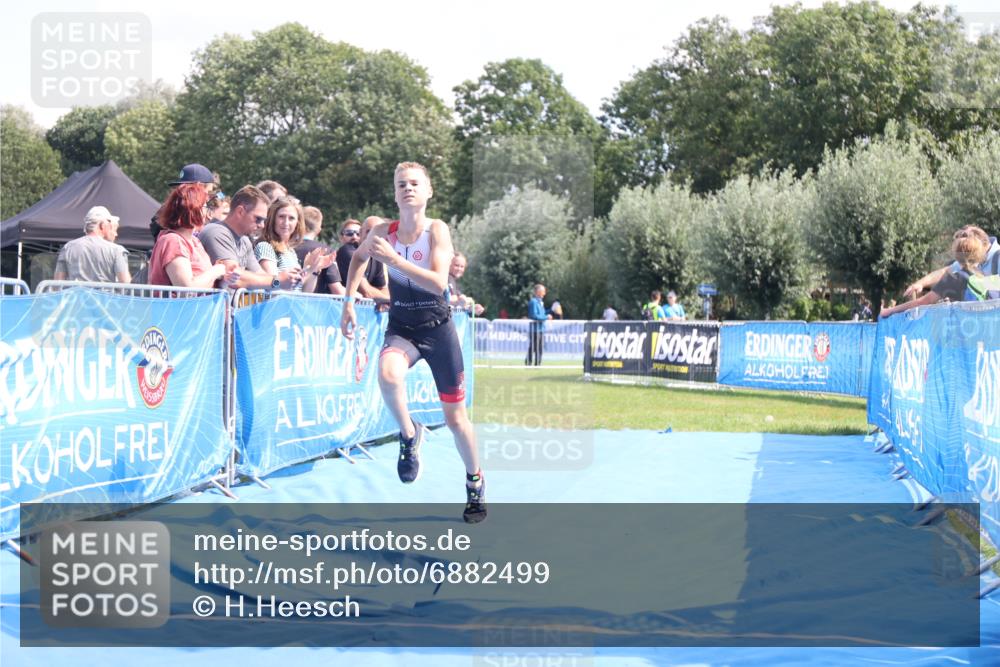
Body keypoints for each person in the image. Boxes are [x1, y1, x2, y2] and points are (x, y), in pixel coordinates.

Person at [340, 162, 485, 523]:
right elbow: (358, 259)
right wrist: (348, 301)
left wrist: (394, 262)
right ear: (394, 193)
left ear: (428, 191)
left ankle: (475, 482)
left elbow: (438, 283)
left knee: (456, 420)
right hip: (403, 327)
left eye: (415, 183)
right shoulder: (383, 232)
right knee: (387, 374)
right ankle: (408, 433)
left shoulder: (437, 230)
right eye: (401, 184)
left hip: (438, 329)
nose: (408, 188)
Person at [199, 185, 301, 290]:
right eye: (258, 219)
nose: (262, 225)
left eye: (263, 220)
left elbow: (261, 275)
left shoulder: (245, 240)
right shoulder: (216, 232)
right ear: (240, 212)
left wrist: (284, 279)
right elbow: (236, 279)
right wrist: (277, 281)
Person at [880, 232, 995, 317]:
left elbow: (922, 302)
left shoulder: (954, 278)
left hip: (963, 338)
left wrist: (889, 311)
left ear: (956, 254)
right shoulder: (983, 276)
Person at [148, 184, 239, 288]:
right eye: (205, 206)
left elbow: (204, 282)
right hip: (178, 304)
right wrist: (216, 270)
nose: (207, 212)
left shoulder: (195, 241)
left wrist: (225, 278)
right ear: (192, 209)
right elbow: (186, 288)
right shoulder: (172, 241)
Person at [254, 198, 336, 292]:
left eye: (291, 218)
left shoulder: (290, 251)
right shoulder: (265, 246)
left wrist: (313, 269)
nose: (286, 223)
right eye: (281, 216)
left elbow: (305, 292)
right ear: (272, 219)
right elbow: (273, 286)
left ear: (297, 223)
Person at [903, 225, 1000, 299]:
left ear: (979, 243)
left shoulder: (997, 257)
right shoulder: (973, 258)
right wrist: (920, 283)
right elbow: (945, 271)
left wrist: (975, 283)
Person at [53, 206, 131, 283]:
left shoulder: (68, 248)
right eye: (109, 224)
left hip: (76, 295)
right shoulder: (116, 250)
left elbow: (57, 283)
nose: (111, 228)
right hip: (105, 295)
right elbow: (126, 283)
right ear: (102, 225)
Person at [337, 217, 389, 301]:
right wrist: (391, 301)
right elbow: (367, 292)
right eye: (369, 231)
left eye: (378, 232)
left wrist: (385, 300)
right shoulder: (348, 251)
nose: (373, 235)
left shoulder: (377, 255)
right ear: (361, 233)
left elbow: (383, 289)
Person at [296, 206, 344, 295]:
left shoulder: (287, 248)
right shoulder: (326, 251)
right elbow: (337, 289)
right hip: (316, 306)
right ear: (318, 230)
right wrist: (355, 295)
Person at [526, 283, 550, 366]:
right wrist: (546, 317)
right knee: (533, 347)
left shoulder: (540, 302)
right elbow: (534, 315)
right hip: (535, 329)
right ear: (538, 292)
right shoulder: (533, 302)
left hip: (541, 329)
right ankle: (529, 363)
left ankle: (538, 364)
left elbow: (542, 314)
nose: (544, 293)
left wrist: (551, 311)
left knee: (540, 348)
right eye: (543, 291)